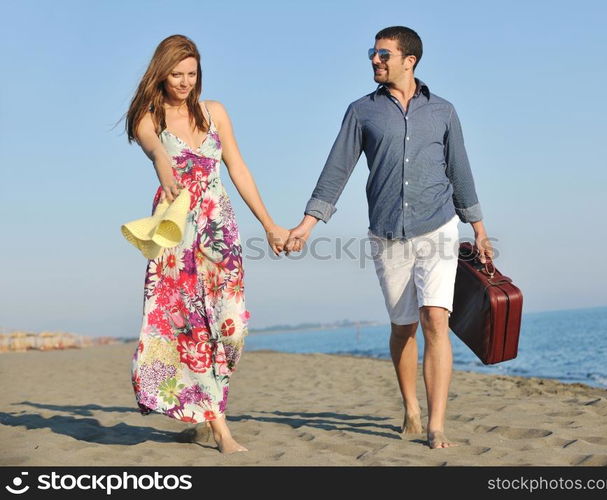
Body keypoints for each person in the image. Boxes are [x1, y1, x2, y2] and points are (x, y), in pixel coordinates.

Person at [285, 26, 494, 449]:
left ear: (409, 60)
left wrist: (479, 229)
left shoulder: (444, 111)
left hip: (438, 226)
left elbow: (461, 172)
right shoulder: (362, 112)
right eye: (372, 53)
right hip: (386, 233)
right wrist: (307, 226)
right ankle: (411, 409)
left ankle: (436, 424)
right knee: (404, 327)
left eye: (383, 54)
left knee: (436, 318)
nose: (374, 60)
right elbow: (336, 171)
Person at [125, 34, 289, 454]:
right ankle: (222, 432)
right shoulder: (150, 115)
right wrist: (163, 162)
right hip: (177, 237)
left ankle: (202, 404)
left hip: (220, 230)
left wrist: (269, 224)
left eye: (191, 74)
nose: (184, 82)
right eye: (176, 74)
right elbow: (152, 148)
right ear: (161, 74)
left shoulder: (214, 112)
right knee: (194, 329)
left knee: (232, 327)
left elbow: (237, 167)